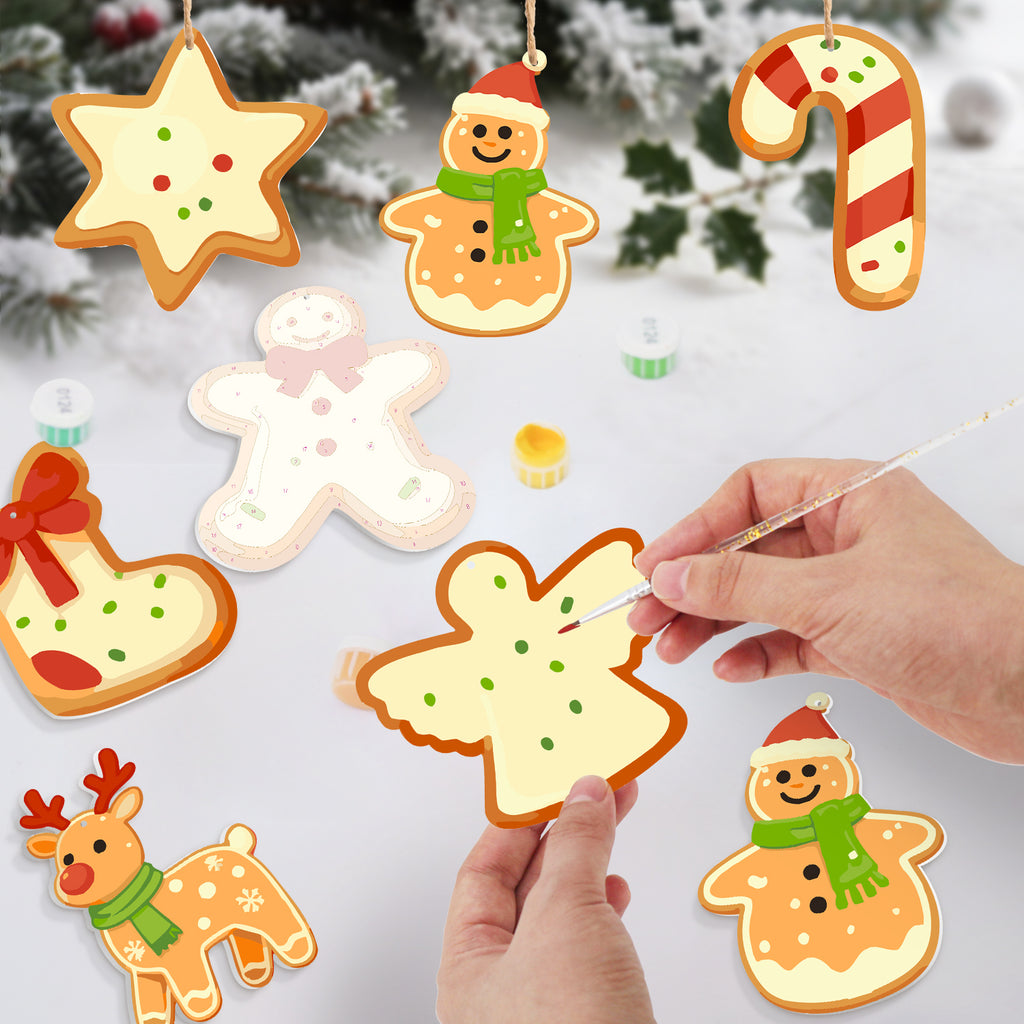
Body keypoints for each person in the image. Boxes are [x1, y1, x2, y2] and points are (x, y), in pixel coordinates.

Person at [436, 459, 1024, 1023]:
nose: (796, 783)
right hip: (790, 958)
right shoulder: (473, 658)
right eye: (789, 774)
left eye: (800, 772)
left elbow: (892, 839)